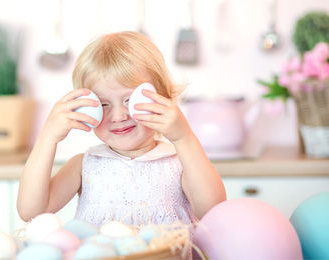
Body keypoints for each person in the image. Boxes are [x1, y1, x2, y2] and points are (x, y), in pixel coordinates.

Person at [17, 31, 226, 228]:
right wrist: (47, 138)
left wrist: (183, 138)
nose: (118, 116)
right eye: (103, 104)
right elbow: (31, 212)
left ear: (162, 99)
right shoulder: (84, 166)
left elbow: (214, 212)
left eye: (130, 100)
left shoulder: (179, 164)